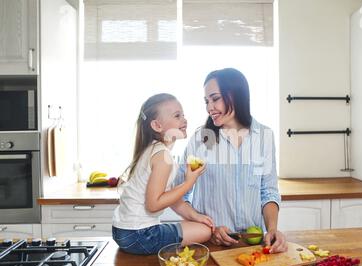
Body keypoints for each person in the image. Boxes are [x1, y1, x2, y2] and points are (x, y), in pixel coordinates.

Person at [172, 68, 288, 254]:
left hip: (253, 245)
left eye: (215, 98)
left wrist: (272, 229)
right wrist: (208, 228)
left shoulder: (264, 136)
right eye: (206, 101)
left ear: (235, 95)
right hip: (211, 247)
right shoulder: (201, 139)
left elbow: (269, 192)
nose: (210, 107)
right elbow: (177, 194)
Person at [112, 93, 214, 255]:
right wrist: (189, 182)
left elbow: (170, 199)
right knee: (205, 231)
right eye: (177, 116)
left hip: (124, 232)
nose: (184, 119)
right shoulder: (163, 156)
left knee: (197, 224)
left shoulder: (153, 150)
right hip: (140, 235)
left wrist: (196, 216)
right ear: (157, 126)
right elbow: (153, 205)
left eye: (183, 115)